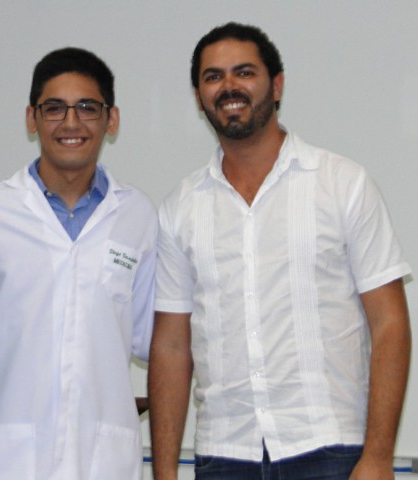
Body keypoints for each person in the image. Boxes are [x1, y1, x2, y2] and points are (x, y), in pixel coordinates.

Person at [149, 22, 412, 480]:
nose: (229, 86)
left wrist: (378, 456)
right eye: (213, 77)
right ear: (198, 97)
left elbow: (390, 323)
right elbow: (171, 346)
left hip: (331, 451)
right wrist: (165, 472)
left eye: (244, 72)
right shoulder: (180, 208)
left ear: (277, 85)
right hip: (224, 455)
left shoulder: (342, 184)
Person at [0, 47, 157, 480]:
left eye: (87, 107)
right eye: (54, 108)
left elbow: (155, 341)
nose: (71, 122)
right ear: (32, 118)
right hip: (4, 460)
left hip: (102, 461)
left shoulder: (138, 217)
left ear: (111, 119)